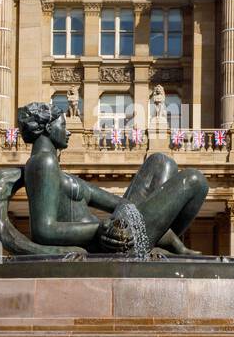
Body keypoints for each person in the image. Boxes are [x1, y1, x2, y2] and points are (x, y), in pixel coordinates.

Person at [17, 101, 206, 255]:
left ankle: (156, 240)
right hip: (110, 243)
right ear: (49, 128)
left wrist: (165, 234)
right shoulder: (43, 162)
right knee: (195, 179)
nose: (69, 131)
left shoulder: (54, 168)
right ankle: (151, 243)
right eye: (63, 126)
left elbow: (120, 203)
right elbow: (43, 230)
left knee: (161, 162)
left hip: (117, 233)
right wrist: (101, 229)